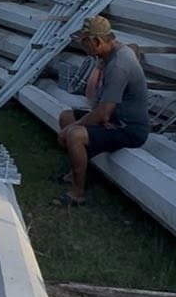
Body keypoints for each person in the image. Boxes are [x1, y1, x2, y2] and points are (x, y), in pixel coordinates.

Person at [52, 16, 148, 207]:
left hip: (129, 128)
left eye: (84, 42)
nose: (83, 46)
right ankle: (75, 173)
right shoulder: (111, 54)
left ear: (96, 41)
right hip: (115, 117)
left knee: (74, 134)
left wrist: (74, 127)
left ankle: (77, 193)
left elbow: (103, 113)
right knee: (66, 117)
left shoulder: (118, 65)